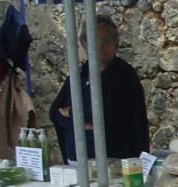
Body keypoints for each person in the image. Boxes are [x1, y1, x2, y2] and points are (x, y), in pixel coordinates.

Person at [50, 15, 150, 162]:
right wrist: (79, 123)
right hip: (76, 160)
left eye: (106, 40)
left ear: (115, 43)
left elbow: (103, 114)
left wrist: (70, 113)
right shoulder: (80, 74)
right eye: (94, 41)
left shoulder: (123, 75)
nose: (100, 46)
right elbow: (54, 113)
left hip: (113, 160)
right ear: (86, 44)